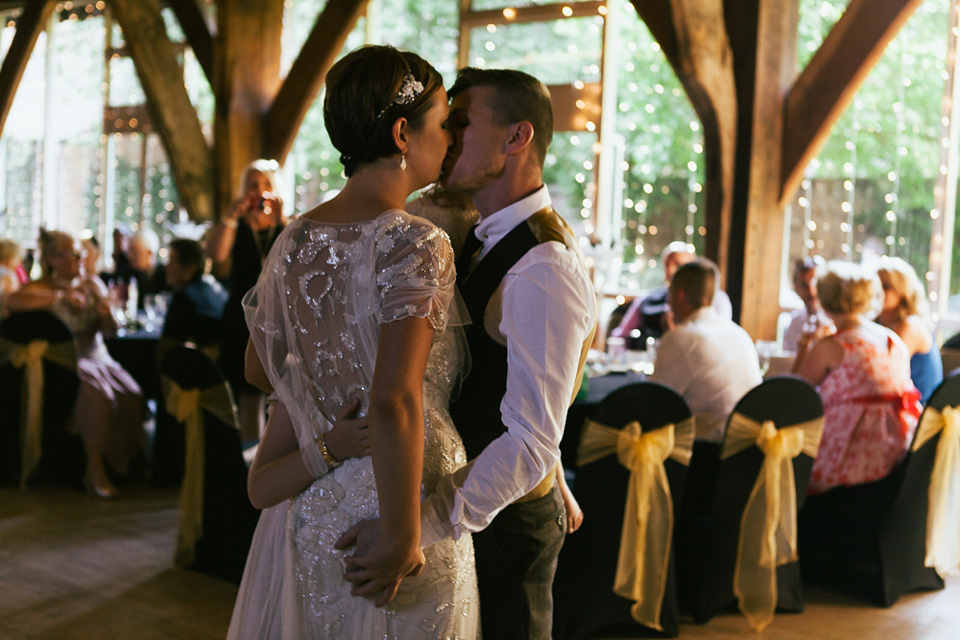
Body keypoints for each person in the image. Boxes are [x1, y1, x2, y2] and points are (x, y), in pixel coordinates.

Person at [227, 46, 479, 639]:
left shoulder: (296, 238)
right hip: (396, 496)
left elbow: (260, 370)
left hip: (319, 502)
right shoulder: (417, 241)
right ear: (401, 133)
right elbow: (395, 398)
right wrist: (402, 534)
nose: (449, 138)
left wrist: (328, 384)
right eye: (443, 122)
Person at [340, 67, 596, 640]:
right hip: (476, 509)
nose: (446, 138)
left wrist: (417, 527)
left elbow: (531, 441)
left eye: (461, 123)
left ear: (517, 138)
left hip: (502, 527)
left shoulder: (543, 266)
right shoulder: (477, 235)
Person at [6, 230, 144, 499]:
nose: (79, 258)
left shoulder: (93, 284)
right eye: (70, 253)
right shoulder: (39, 287)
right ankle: (94, 470)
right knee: (98, 397)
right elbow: (12, 301)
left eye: (80, 253)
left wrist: (107, 315)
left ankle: (126, 467)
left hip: (99, 355)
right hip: (68, 360)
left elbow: (112, 332)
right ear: (51, 259)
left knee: (132, 394)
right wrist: (59, 297)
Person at [792, 261, 920, 494]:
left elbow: (794, 392)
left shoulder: (833, 346)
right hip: (899, 456)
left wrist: (805, 346)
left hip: (850, 460)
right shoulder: (893, 339)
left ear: (824, 300)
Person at [206, 159, 287, 442]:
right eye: (253, 186)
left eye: (265, 184)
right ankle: (249, 460)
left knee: (281, 395)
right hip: (242, 318)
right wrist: (230, 214)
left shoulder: (284, 224)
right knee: (247, 393)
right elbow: (216, 255)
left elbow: (294, 258)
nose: (260, 191)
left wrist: (280, 220)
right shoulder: (237, 225)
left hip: (278, 316)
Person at [649, 258, 762, 443]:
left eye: (670, 293)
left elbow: (654, 405)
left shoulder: (681, 338)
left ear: (680, 295)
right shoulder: (740, 333)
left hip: (705, 457)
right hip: (746, 451)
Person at [611, 240, 733, 349]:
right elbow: (620, 337)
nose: (670, 271)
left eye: (678, 265)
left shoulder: (716, 300)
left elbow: (719, 340)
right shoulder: (646, 300)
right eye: (667, 265)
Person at [876, 256, 943, 404]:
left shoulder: (911, 326)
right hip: (893, 402)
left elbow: (882, 369)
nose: (878, 290)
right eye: (876, 284)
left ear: (902, 291)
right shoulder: (882, 322)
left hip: (917, 411)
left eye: (885, 286)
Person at [161, 238, 227, 347]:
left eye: (172, 261)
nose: (166, 266)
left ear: (190, 267)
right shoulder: (216, 288)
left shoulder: (184, 298)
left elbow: (167, 345)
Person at [783, 255, 832, 352]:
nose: (811, 291)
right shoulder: (796, 322)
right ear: (796, 288)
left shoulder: (835, 322)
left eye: (815, 283)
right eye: (804, 285)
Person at [0, 238, 23, 318]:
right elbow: (10, 302)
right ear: (11, 258)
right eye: (18, 259)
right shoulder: (9, 276)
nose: (19, 263)